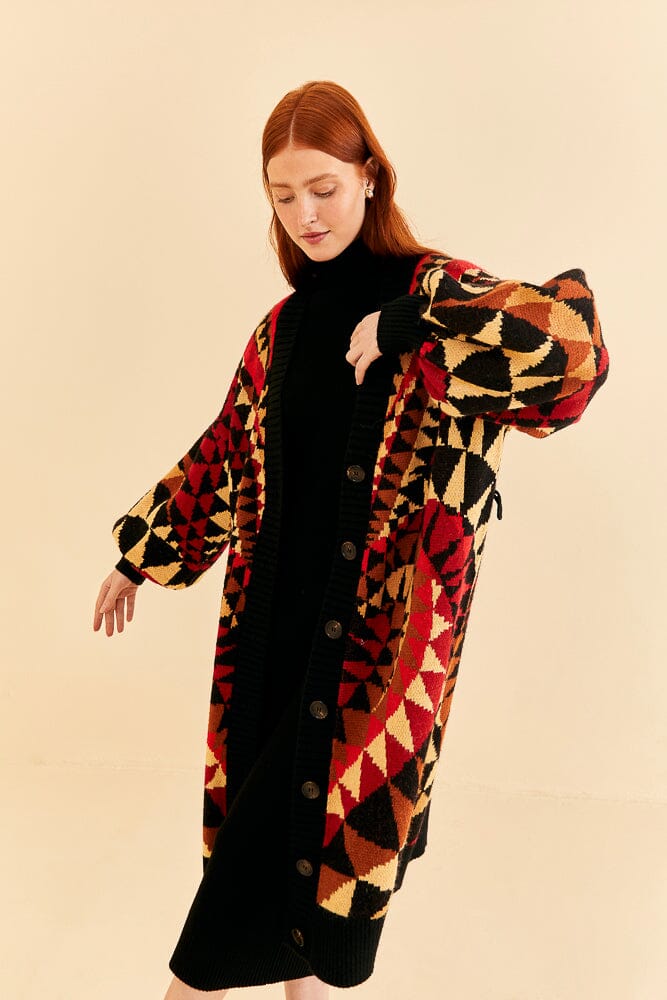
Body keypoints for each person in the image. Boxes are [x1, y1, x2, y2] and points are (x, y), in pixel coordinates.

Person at [93, 79, 609, 999]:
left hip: (379, 659)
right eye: (283, 195)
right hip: (268, 641)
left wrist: (415, 326)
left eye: (324, 188)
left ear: (369, 174)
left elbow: (572, 353)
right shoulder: (281, 331)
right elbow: (226, 451)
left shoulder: (433, 294)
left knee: (239, 918)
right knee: (275, 884)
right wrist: (142, 553)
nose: (305, 215)